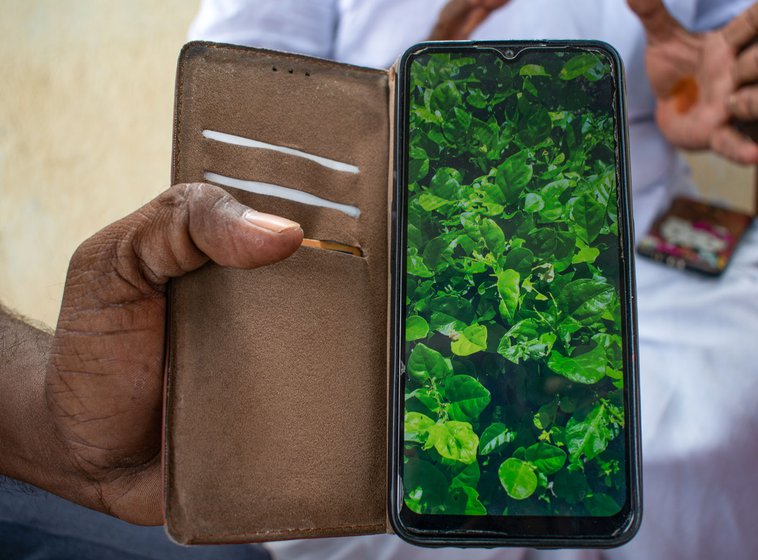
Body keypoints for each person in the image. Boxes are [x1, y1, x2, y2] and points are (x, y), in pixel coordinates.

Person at [1, 0, 758, 558]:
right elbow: (248, 143)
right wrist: (404, 107)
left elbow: (726, 64)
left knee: (722, 423)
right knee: (374, 484)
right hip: (382, 254)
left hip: (632, 242)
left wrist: (696, 96)